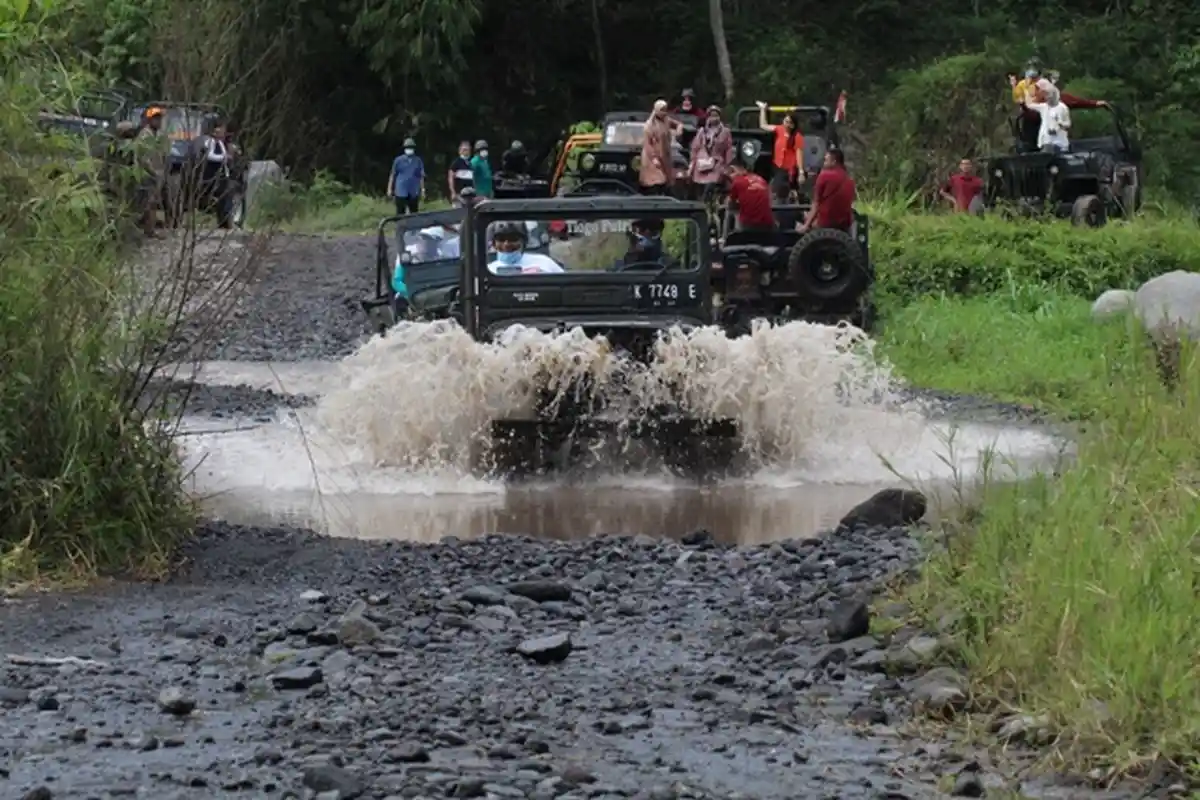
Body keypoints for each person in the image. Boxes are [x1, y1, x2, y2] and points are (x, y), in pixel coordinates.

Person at [755, 101, 805, 202]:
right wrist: (763, 110)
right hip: (777, 166)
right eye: (785, 121)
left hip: (788, 169)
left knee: (779, 189)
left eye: (788, 122)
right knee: (775, 188)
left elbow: (799, 154)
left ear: (792, 125)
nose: (785, 123)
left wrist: (801, 172)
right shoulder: (779, 129)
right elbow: (763, 125)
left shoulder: (797, 136)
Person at [799, 148, 855, 233]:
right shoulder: (849, 179)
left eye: (826, 160)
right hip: (844, 224)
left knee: (803, 219)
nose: (824, 163)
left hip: (825, 223)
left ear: (833, 162)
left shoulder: (824, 176)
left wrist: (806, 225)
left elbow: (816, 203)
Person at [689, 105, 733, 205]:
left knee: (712, 186)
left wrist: (728, 166)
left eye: (716, 115)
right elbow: (695, 148)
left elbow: (728, 149)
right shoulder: (702, 131)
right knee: (700, 188)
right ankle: (701, 205)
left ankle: (709, 203)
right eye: (711, 115)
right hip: (701, 163)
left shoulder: (725, 132)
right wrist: (692, 162)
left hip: (717, 163)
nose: (714, 118)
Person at [134, 106, 167, 237]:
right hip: (146, 174)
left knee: (152, 203)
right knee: (147, 203)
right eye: (155, 118)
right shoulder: (144, 135)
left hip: (156, 174)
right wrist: (153, 172)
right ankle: (147, 229)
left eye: (159, 118)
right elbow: (142, 158)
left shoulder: (159, 135)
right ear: (149, 120)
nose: (158, 121)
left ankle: (149, 229)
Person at [487, 221, 564, 274]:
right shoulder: (489, 269)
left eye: (513, 239)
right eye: (501, 239)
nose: (506, 244)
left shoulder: (545, 262)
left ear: (524, 242)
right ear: (493, 243)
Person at [200, 119, 236, 228]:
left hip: (222, 174)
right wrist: (223, 157)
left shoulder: (220, 144)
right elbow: (209, 156)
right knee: (224, 195)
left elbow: (224, 158)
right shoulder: (210, 142)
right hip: (211, 175)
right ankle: (224, 218)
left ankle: (225, 219)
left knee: (227, 195)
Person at [639, 100, 676, 195]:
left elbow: (677, 124)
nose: (664, 113)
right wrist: (654, 158)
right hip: (652, 157)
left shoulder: (666, 121)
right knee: (656, 179)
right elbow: (647, 144)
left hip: (664, 154)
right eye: (662, 110)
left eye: (665, 110)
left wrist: (679, 129)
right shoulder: (649, 125)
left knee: (666, 180)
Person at [726, 162, 776, 232]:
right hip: (768, 223)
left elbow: (730, 204)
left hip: (749, 225)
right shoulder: (761, 179)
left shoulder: (737, 181)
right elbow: (769, 201)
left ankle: (725, 235)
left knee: (729, 210)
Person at [1026, 83, 1071, 154]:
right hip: (1046, 141)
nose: (1047, 97)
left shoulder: (1062, 108)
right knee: (1046, 152)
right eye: (1046, 95)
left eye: (1049, 95)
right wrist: (1028, 92)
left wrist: (1061, 125)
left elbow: (1068, 124)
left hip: (1059, 143)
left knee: (1049, 152)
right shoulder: (1043, 107)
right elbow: (1029, 105)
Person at [388, 137, 425, 215]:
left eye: (411, 147)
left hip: (413, 191)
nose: (409, 149)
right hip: (401, 191)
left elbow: (421, 176)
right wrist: (389, 189)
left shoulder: (418, 160)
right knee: (400, 214)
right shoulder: (398, 160)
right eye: (408, 147)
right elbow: (392, 175)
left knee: (414, 214)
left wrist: (422, 190)